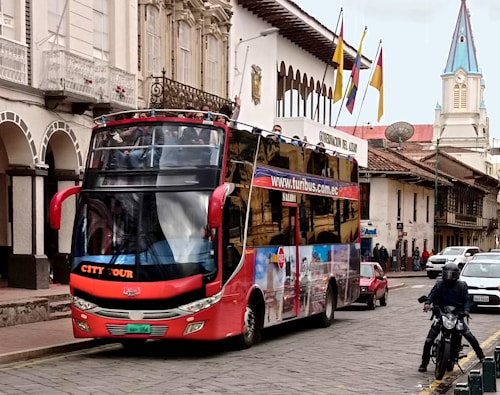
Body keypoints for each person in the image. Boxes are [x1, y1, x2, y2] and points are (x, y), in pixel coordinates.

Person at [418, 262, 485, 372]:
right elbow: (432, 294)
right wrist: (428, 303)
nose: (449, 277)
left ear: (456, 275)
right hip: (441, 314)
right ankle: (424, 363)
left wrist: (466, 310)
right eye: (447, 274)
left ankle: (480, 354)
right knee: (429, 340)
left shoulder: (461, 286)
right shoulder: (439, 284)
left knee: (469, 336)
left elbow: (467, 299)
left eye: (451, 274)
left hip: (456, 315)